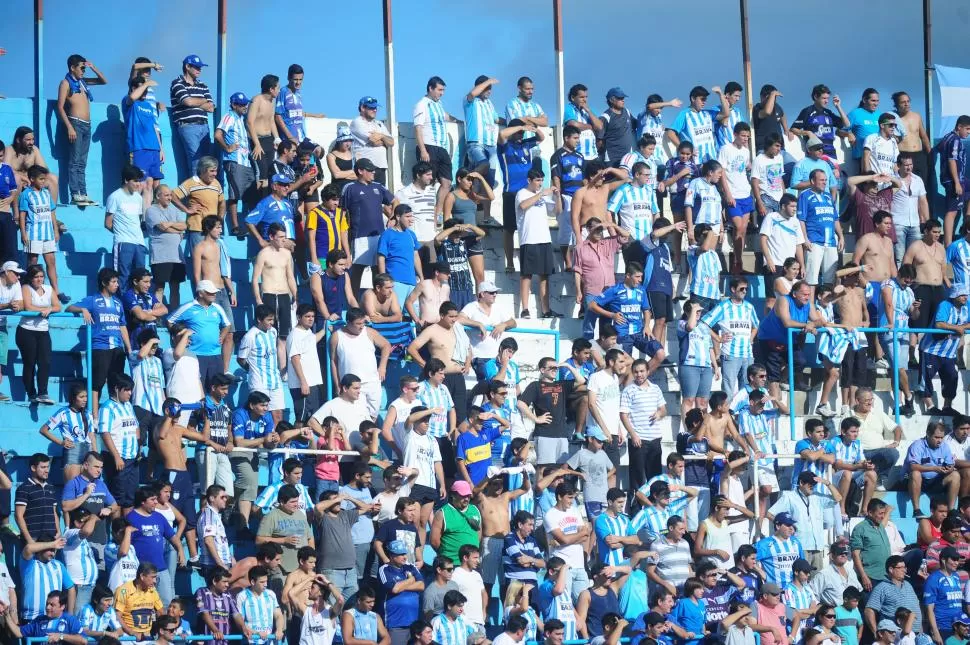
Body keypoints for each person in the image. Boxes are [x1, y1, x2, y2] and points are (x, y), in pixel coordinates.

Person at [341, 158, 399, 294]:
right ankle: (353, 304)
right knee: (357, 271)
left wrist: (393, 218)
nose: (373, 172)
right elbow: (341, 214)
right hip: (359, 236)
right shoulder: (350, 188)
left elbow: (395, 201)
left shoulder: (378, 186)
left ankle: (376, 302)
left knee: (378, 271)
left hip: (379, 235)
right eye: (369, 170)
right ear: (360, 171)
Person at [55, 54, 105, 205]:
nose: (84, 70)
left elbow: (103, 81)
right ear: (72, 67)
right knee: (75, 161)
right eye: (81, 68)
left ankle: (83, 193)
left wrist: (93, 67)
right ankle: (75, 193)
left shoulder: (83, 82)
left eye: (84, 68)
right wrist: (69, 127)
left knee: (82, 162)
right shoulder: (66, 83)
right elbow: (60, 106)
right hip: (75, 123)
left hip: (87, 125)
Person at [167, 277, 233, 389]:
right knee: (197, 389)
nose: (214, 295)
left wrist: (222, 336)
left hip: (215, 355)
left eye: (214, 293)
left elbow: (227, 324)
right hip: (195, 354)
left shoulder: (217, 308)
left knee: (216, 389)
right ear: (201, 293)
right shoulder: (188, 307)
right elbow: (170, 321)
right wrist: (180, 336)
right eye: (210, 293)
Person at [414, 76, 461, 217]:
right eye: (440, 90)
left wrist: (458, 120)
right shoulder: (422, 104)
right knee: (427, 179)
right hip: (429, 146)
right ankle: (424, 210)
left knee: (447, 181)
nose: (442, 93)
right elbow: (417, 128)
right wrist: (423, 149)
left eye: (443, 90)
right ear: (430, 88)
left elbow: (445, 116)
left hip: (442, 148)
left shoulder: (438, 104)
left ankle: (438, 211)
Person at [920, 285, 970, 417]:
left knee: (952, 378)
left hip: (949, 352)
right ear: (954, 296)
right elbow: (939, 324)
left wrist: (961, 327)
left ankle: (947, 406)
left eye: (966, 294)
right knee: (926, 379)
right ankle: (930, 406)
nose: (965, 297)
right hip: (931, 349)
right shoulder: (945, 305)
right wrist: (957, 328)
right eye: (962, 295)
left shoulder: (967, 306)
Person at [19, 165, 65, 302]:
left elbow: (51, 212)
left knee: (51, 261)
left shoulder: (46, 193)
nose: (43, 182)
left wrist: (56, 230)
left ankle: (56, 291)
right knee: (32, 261)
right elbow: (22, 215)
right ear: (32, 179)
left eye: (45, 179)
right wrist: (23, 233)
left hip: (48, 233)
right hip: (33, 233)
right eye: (41, 179)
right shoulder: (26, 194)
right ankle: (27, 288)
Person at [169, 55, 214, 180]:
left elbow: (210, 107)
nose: (199, 70)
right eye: (196, 67)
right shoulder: (177, 83)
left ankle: (204, 192)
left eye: (200, 67)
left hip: (204, 126)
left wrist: (194, 101)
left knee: (206, 162)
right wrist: (202, 101)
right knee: (196, 162)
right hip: (188, 125)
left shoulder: (203, 85)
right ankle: (195, 195)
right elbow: (187, 102)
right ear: (187, 67)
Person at [718, 122, 753, 274]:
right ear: (736, 135)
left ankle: (738, 261)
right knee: (738, 227)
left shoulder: (746, 151)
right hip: (733, 195)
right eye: (743, 136)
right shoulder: (726, 149)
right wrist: (728, 193)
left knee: (743, 230)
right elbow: (722, 173)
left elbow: (746, 167)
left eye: (748, 136)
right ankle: (736, 260)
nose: (746, 139)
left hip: (745, 193)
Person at [905, 421, 959, 516]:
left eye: (942, 437)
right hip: (918, 480)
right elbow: (912, 466)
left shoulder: (945, 446)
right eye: (936, 437)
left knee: (955, 475)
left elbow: (950, 464)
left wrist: (949, 469)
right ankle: (916, 510)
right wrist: (934, 468)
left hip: (935, 481)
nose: (940, 440)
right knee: (915, 473)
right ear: (928, 434)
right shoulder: (917, 445)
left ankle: (951, 511)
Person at [380, 539, 425, 645]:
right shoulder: (385, 570)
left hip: (414, 624)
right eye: (400, 554)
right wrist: (410, 580)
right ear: (391, 555)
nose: (405, 556)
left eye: (404, 553)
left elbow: (422, 585)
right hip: (396, 624)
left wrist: (402, 585)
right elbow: (394, 589)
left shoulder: (411, 567)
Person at [935, 115, 970, 245]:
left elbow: (937, 149)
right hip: (953, 180)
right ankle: (948, 245)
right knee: (952, 212)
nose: (968, 132)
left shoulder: (947, 136)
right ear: (959, 127)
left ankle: (967, 221)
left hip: (959, 178)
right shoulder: (955, 140)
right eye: (967, 129)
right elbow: (951, 160)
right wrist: (956, 182)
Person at [865, 555, 921, 634]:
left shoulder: (908, 585)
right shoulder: (882, 587)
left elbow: (916, 608)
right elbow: (869, 610)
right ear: (891, 569)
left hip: (914, 635)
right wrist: (876, 633)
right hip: (895, 635)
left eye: (905, 567)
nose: (904, 570)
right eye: (900, 568)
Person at [666, 86, 718, 164]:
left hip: (711, 160)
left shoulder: (706, 113)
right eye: (702, 99)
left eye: (705, 100)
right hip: (694, 163)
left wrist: (720, 94)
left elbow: (726, 114)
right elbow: (670, 133)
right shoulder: (685, 114)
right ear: (693, 99)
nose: (704, 102)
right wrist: (685, 149)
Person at [849, 499, 892, 592]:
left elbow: (884, 520)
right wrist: (864, 576)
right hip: (871, 577)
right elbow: (855, 555)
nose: (882, 516)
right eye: (880, 513)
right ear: (870, 513)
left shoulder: (880, 526)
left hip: (886, 576)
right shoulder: (860, 528)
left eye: (884, 513)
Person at [351, 96, 393, 186]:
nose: (375, 110)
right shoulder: (357, 122)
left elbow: (391, 142)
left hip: (380, 166)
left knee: (380, 196)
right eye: (371, 108)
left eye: (375, 108)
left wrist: (381, 135)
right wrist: (384, 142)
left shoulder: (379, 123)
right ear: (362, 108)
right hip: (366, 167)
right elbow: (374, 141)